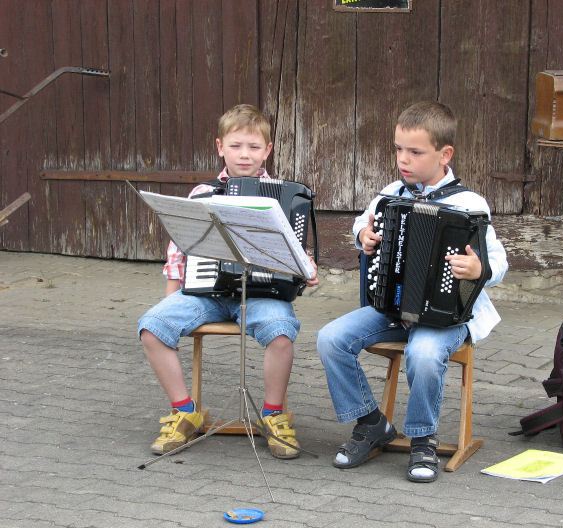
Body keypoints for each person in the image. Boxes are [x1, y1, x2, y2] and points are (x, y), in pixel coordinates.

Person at [317, 101, 508, 483]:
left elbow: (499, 261)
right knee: (330, 338)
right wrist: (364, 236)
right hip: (392, 308)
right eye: (398, 149)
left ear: (444, 154)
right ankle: (372, 423)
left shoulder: (468, 205)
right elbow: (363, 222)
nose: (403, 159)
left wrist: (479, 269)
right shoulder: (391, 194)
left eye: (415, 152)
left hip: (447, 315)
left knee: (422, 353)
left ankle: (423, 440)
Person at [138, 104, 318, 459]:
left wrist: (306, 269)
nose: (245, 154)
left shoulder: (286, 196)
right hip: (205, 292)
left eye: (253, 147)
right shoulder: (202, 194)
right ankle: (185, 412)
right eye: (236, 146)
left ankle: (273, 414)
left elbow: (297, 254)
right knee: (152, 327)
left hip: (262, 293)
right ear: (220, 147)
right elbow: (179, 252)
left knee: (281, 331)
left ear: (267, 150)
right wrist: (170, 301)